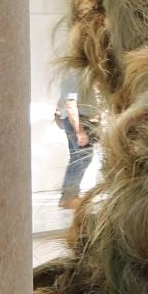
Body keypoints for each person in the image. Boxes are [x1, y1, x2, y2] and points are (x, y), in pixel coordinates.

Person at [53, 68, 96, 209]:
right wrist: (79, 131)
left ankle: (70, 195)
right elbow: (70, 105)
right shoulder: (74, 75)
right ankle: (69, 197)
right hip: (78, 121)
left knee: (78, 158)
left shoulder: (71, 75)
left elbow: (61, 103)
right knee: (82, 158)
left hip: (75, 121)